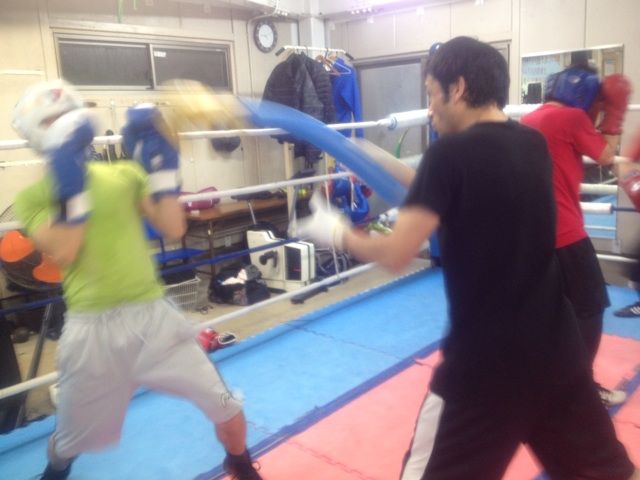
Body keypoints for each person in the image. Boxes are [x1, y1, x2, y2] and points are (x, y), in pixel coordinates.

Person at [295, 37, 638, 480]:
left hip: (483, 369)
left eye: (431, 95)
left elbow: (397, 252)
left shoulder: (449, 154)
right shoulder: (532, 145)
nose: (430, 110)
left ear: (456, 88)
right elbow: (447, 186)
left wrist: (337, 233)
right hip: (558, 355)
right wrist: (374, 159)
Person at [11, 80, 262, 480]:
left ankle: (241, 464)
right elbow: (66, 249)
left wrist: (163, 170)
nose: (65, 125)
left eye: (68, 115)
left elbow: (173, 227)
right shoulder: (33, 198)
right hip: (93, 331)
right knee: (70, 441)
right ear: (36, 134)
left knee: (227, 407)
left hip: (154, 318)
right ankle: (55, 472)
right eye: (52, 121)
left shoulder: (124, 173)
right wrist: (71, 188)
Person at [520, 65, 632, 406]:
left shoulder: (529, 119)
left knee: (549, 312)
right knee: (591, 306)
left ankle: (541, 383)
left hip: (531, 237)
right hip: (566, 234)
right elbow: (607, 156)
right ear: (585, 96)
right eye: (597, 101)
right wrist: (614, 114)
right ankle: (581, 390)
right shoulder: (571, 118)